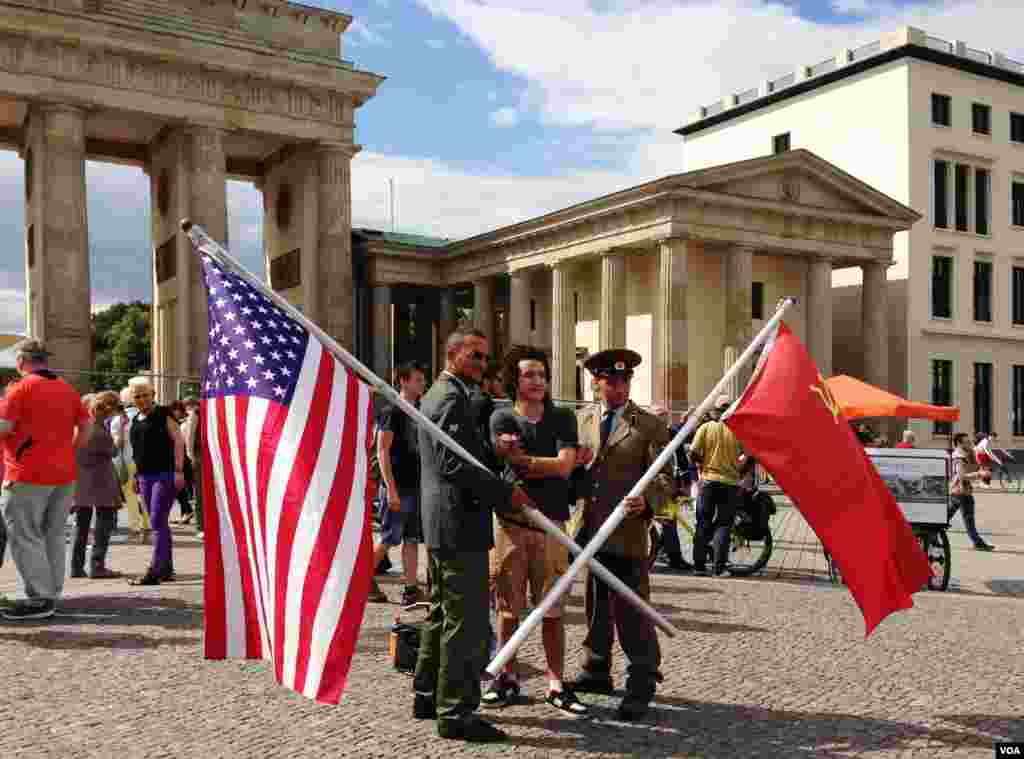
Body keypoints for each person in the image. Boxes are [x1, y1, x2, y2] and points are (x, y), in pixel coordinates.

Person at [412, 328, 534, 743]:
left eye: (486, 358)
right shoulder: (448, 397)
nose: (483, 365)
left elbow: (463, 454)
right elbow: (452, 463)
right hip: (457, 521)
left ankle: (427, 694)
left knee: (442, 614)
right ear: (452, 355)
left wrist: (493, 450)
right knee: (464, 624)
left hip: (447, 521)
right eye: (475, 356)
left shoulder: (448, 394)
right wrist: (504, 493)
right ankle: (457, 712)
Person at [569, 348, 672, 721]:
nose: (618, 386)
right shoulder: (581, 421)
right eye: (610, 381)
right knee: (595, 603)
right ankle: (597, 668)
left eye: (624, 380)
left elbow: (665, 478)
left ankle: (642, 679)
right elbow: (575, 473)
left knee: (632, 608)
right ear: (596, 383)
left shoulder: (647, 425)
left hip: (627, 532)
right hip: (589, 529)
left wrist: (646, 502)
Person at [483, 346, 586, 715]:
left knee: (553, 610)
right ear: (515, 379)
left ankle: (556, 682)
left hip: (553, 525)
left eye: (541, 374)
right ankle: (505, 678)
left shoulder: (563, 418)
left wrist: (527, 462)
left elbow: (564, 467)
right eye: (529, 374)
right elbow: (524, 464)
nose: (537, 381)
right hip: (510, 526)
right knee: (508, 608)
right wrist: (546, 464)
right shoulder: (501, 418)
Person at [0, 339, 92, 620]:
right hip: (64, 474)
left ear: (22, 361)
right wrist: (66, 451)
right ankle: (51, 592)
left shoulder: (19, 389)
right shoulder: (67, 389)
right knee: (52, 534)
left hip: (27, 472)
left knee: (25, 535)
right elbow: (85, 428)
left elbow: (4, 428)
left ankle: (41, 598)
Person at [368, 361, 427, 606]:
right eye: (418, 380)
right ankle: (361, 579)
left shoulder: (422, 409)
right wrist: (390, 489)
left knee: (412, 539)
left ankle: (411, 589)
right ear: (403, 381)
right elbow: (382, 451)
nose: (422, 384)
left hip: (416, 484)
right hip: (397, 485)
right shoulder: (392, 411)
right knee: (389, 536)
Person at [128, 377, 186, 585]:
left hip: (165, 473)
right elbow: (137, 452)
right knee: (159, 522)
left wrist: (179, 470)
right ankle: (166, 569)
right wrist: (135, 475)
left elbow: (178, 441)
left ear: (153, 394)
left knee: (156, 521)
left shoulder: (164, 414)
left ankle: (154, 570)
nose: (142, 399)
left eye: (145, 395)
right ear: (132, 399)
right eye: (137, 396)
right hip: (144, 476)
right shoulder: (135, 420)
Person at [688, 395, 753, 577]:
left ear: (715, 410)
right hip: (730, 484)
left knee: (702, 523)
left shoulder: (705, 428)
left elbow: (692, 454)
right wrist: (739, 473)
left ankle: (699, 567)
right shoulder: (737, 430)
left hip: (708, 481)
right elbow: (749, 456)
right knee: (724, 525)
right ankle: (718, 568)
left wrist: (703, 463)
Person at [70, 391, 124, 579]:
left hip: (82, 483)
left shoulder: (82, 427)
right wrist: (117, 439)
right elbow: (114, 452)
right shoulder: (99, 431)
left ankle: (76, 567)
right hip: (100, 482)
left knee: (81, 526)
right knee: (103, 526)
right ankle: (97, 566)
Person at [111, 386, 150, 543]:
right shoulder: (146, 416)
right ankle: (148, 526)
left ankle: (135, 527)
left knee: (130, 496)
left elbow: (116, 444)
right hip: (145, 461)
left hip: (126, 462)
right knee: (146, 494)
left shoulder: (118, 420)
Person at [949, 432, 994, 552]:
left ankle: (978, 543)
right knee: (946, 517)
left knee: (966, 519)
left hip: (965, 492)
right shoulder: (959, 457)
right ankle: (929, 533)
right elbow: (962, 476)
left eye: (969, 442)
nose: (970, 443)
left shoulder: (967, 454)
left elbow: (974, 468)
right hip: (958, 492)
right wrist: (979, 474)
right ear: (959, 443)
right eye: (967, 442)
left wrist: (982, 469)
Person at [180, 398, 204, 538]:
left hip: (216, 454)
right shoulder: (197, 412)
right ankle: (201, 526)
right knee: (200, 493)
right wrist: (191, 456)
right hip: (200, 454)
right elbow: (190, 436)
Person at [168, 400, 194, 523]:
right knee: (178, 487)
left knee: (178, 486)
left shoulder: (176, 423)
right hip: (178, 458)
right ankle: (186, 511)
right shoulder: (174, 422)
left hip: (179, 459)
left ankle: (187, 511)